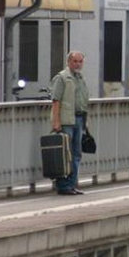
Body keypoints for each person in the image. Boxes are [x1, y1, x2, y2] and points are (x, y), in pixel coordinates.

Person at [49, 51, 89, 195]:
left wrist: (85, 122)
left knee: (77, 153)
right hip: (66, 120)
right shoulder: (62, 78)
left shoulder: (80, 78)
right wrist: (56, 121)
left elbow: (82, 100)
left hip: (78, 118)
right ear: (69, 62)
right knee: (66, 153)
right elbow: (55, 100)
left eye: (80, 61)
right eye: (75, 61)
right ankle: (63, 185)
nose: (78, 64)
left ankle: (72, 184)